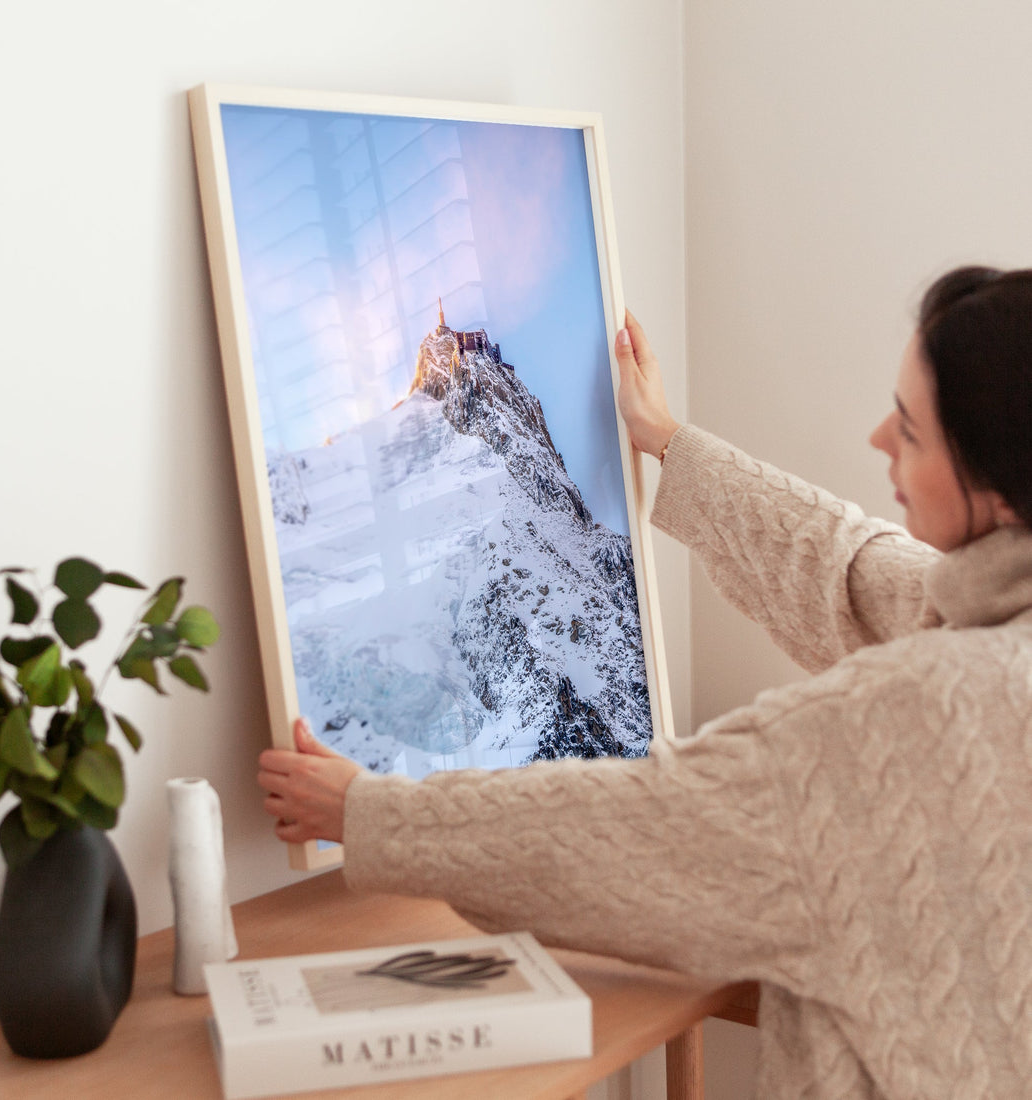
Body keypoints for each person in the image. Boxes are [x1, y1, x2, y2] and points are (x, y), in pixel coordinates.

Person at [257, 266, 1032, 1099]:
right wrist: (667, 440)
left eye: (911, 432)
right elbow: (850, 570)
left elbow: (641, 827)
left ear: (996, 488)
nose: (880, 437)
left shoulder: (911, 717)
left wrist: (366, 814)